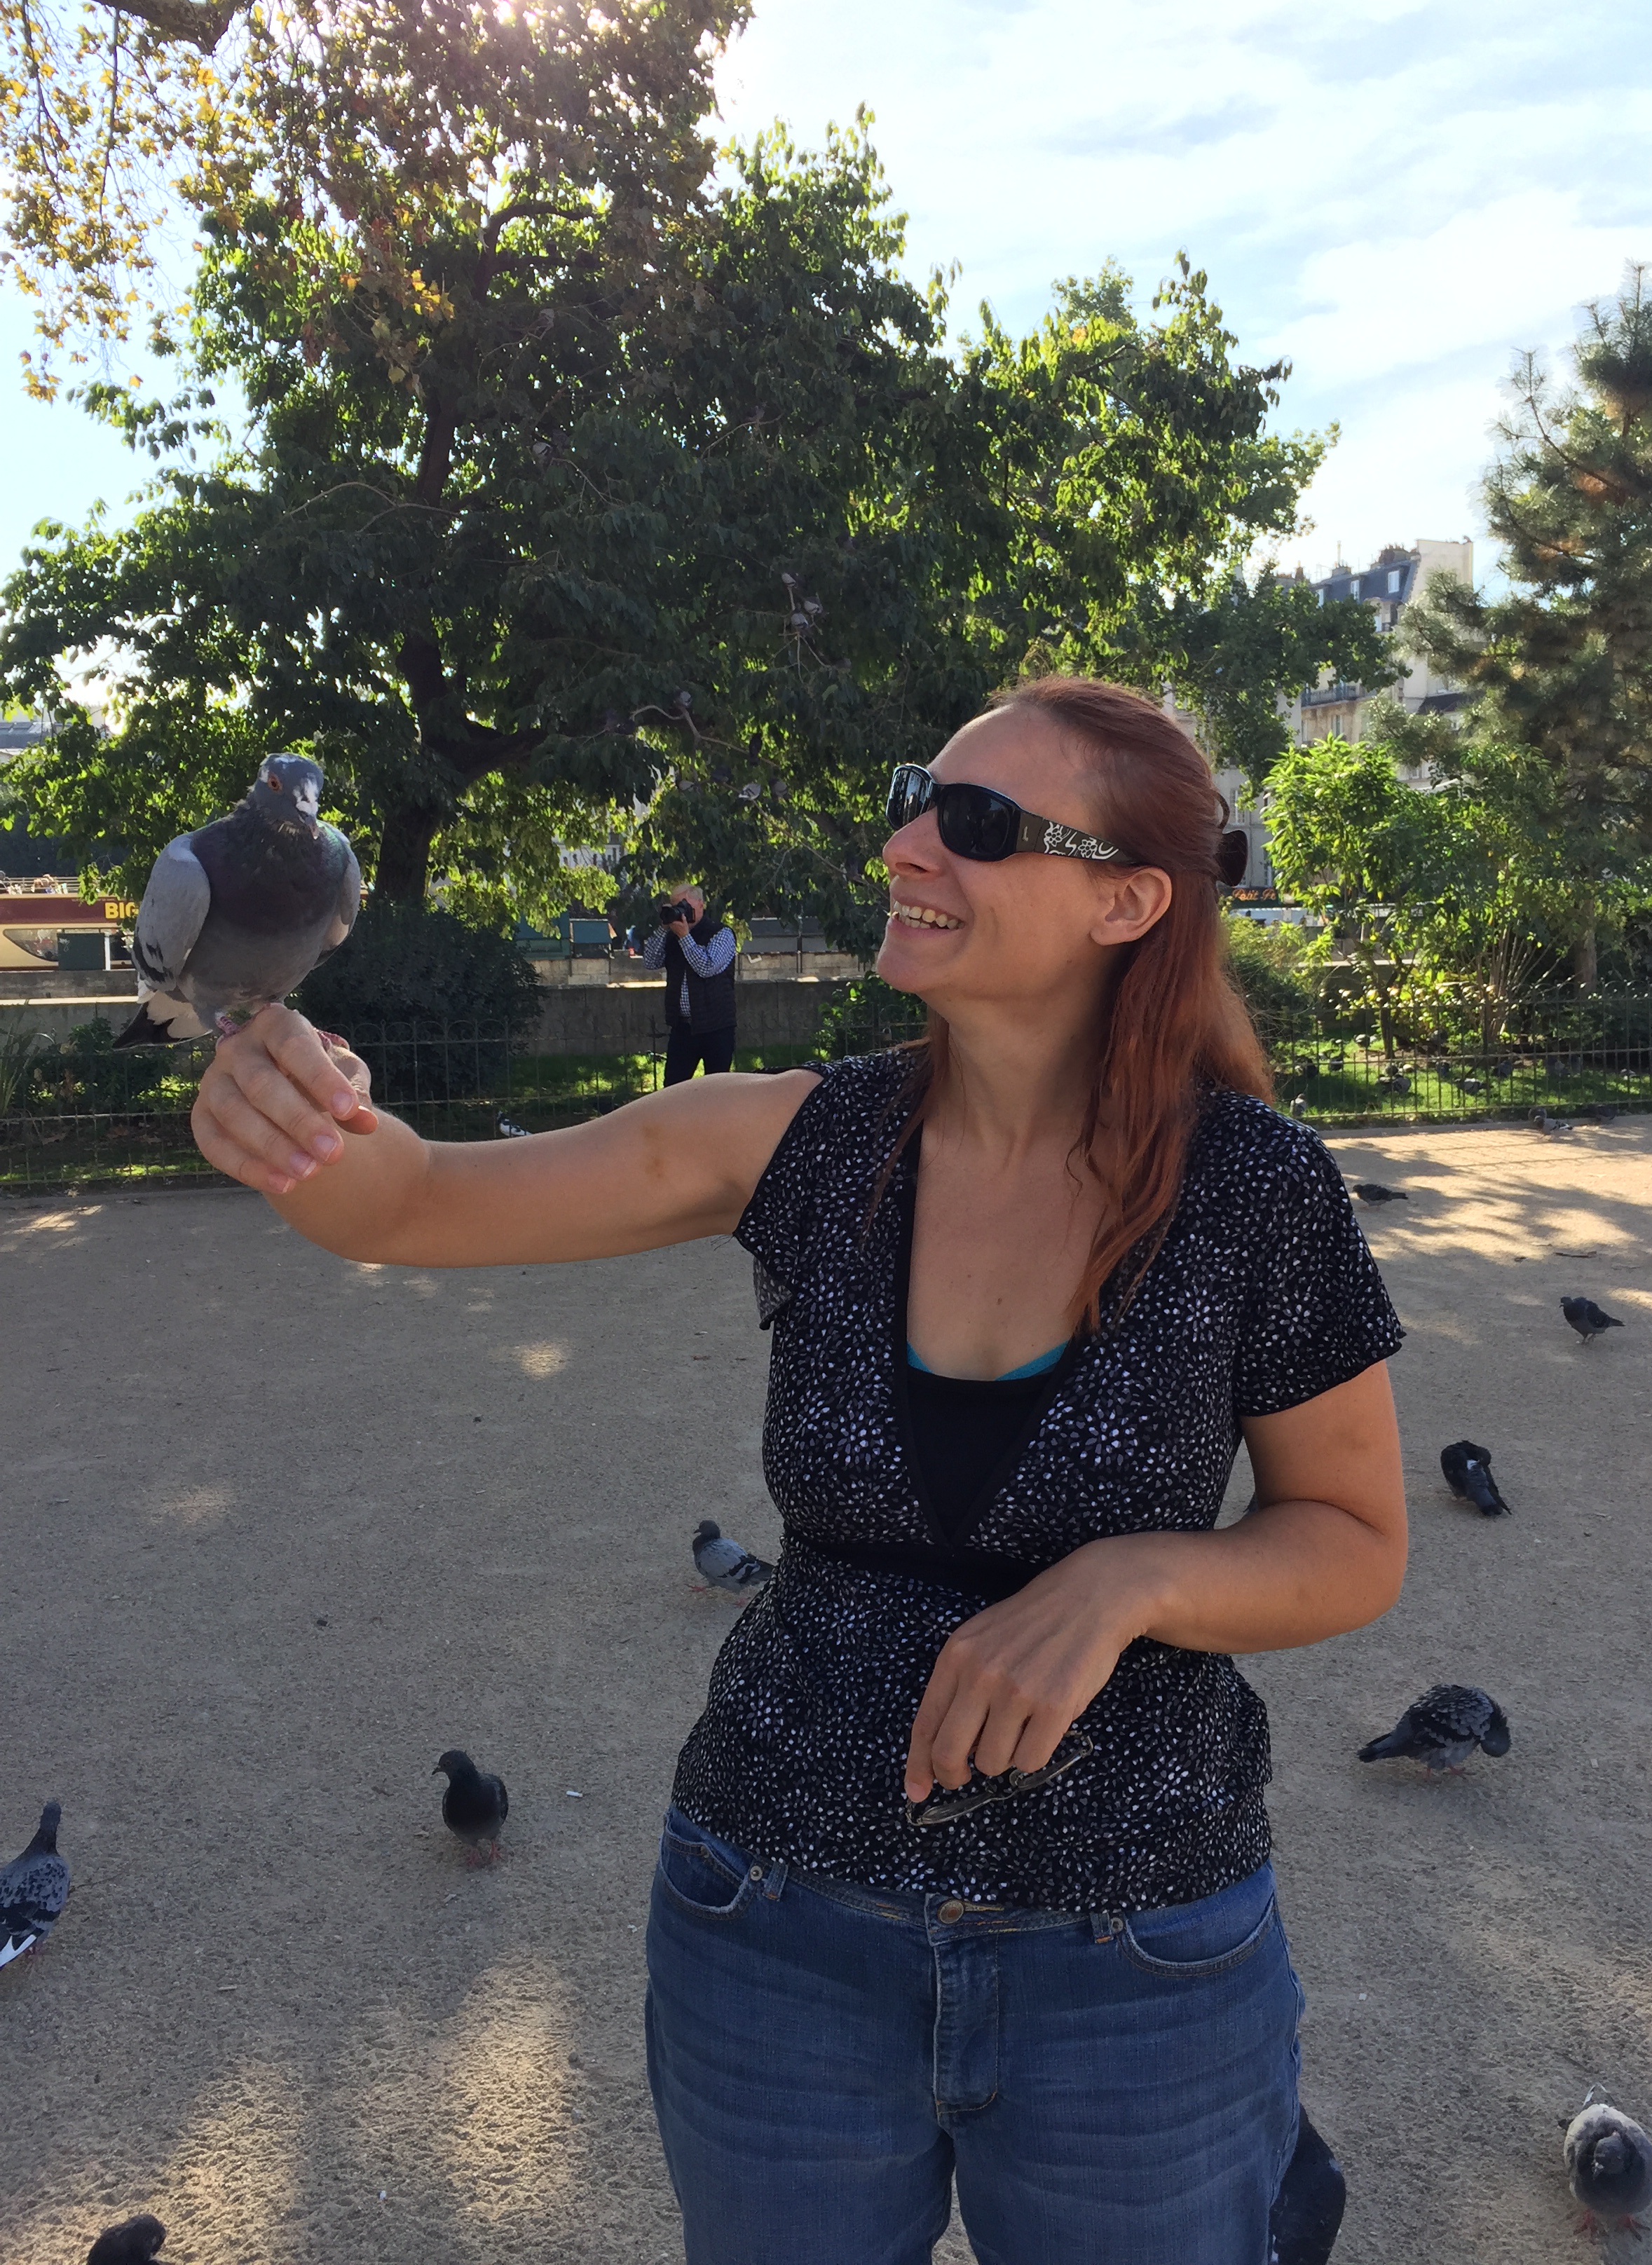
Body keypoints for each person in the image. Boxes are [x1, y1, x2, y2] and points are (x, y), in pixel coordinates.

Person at [189, 675, 1407, 2265]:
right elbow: (413, 1202)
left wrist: (1133, 1577)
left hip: (1136, 1961)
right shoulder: (796, 1139)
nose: (905, 841)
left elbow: (1354, 1538)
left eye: (972, 823)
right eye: (914, 795)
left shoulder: (1256, 1186)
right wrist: (283, 1096)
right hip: (768, 1931)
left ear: (1126, 899)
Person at [641, 883, 737, 1084]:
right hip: (683, 1027)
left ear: (701, 905)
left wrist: (685, 937)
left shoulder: (721, 934)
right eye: (676, 906)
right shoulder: (671, 936)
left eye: (685, 906)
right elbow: (650, 962)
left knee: (716, 1090)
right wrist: (664, 927)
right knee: (673, 1089)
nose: (681, 911)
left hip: (716, 1026)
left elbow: (706, 967)